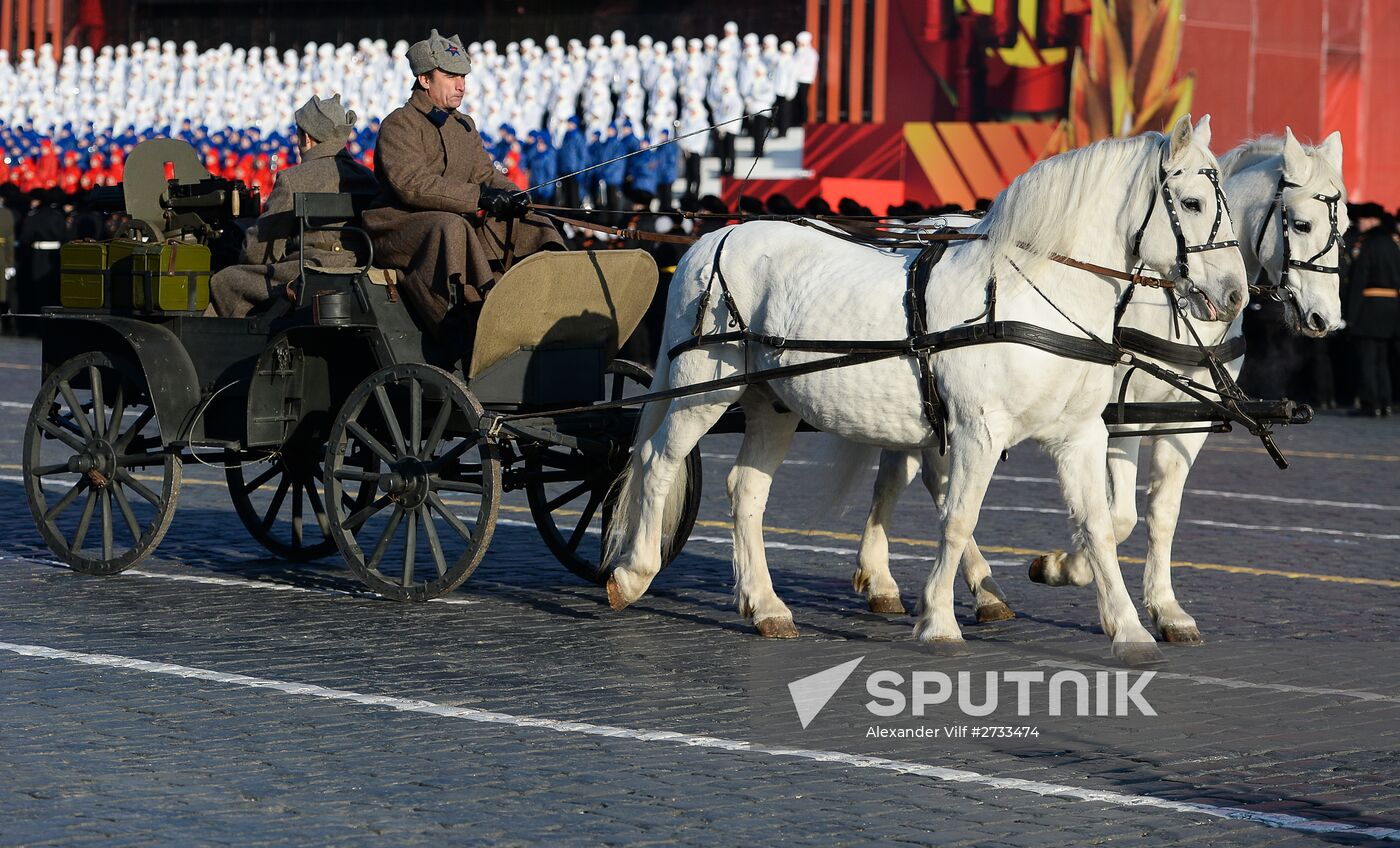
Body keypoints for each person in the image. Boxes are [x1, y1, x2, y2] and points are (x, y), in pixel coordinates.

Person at [362, 29, 563, 340]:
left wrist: (514, 195)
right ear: (425, 80)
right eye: (451, 75)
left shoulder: (463, 125)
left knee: (532, 221)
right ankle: (463, 317)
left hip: (452, 220)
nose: (461, 85)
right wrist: (479, 198)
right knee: (451, 226)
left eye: (463, 77)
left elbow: (485, 174)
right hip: (397, 226)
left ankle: (542, 303)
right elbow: (411, 184)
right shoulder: (399, 123)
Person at [209, 93, 378, 318]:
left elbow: (258, 254)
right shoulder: (368, 177)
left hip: (311, 272)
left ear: (306, 138)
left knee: (225, 280)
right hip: (360, 268)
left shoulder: (293, 180)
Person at [1344, 202, 1400, 416]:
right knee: (1382, 359)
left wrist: (1351, 316)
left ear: (1370, 220)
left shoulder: (1367, 244)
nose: (1359, 224)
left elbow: (1359, 281)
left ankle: (1370, 402)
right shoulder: (1393, 244)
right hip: (1391, 307)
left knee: (1368, 358)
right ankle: (1385, 401)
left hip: (1369, 307)